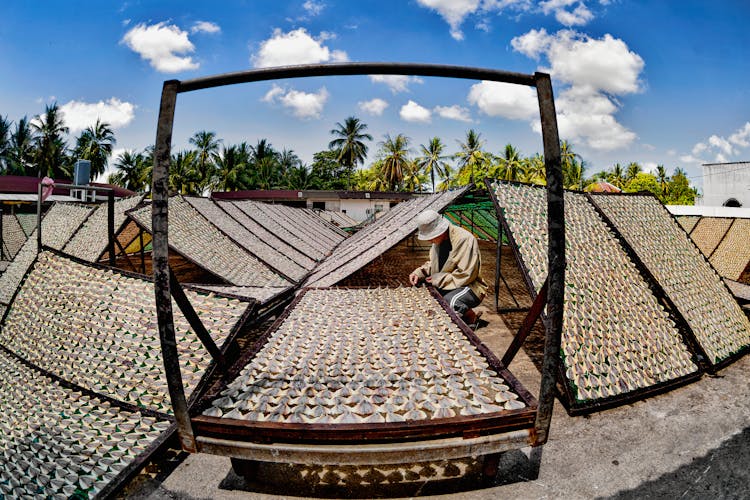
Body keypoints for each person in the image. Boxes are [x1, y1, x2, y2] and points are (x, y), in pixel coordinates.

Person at [409, 209, 488, 326]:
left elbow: (467, 274)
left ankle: (470, 318)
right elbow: (433, 264)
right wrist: (419, 273)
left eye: (431, 237)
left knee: (450, 302)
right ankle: (467, 315)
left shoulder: (464, 239)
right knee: (427, 294)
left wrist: (438, 279)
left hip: (470, 285)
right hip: (451, 283)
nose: (430, 240)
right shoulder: (437, 243)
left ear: (440, 231)